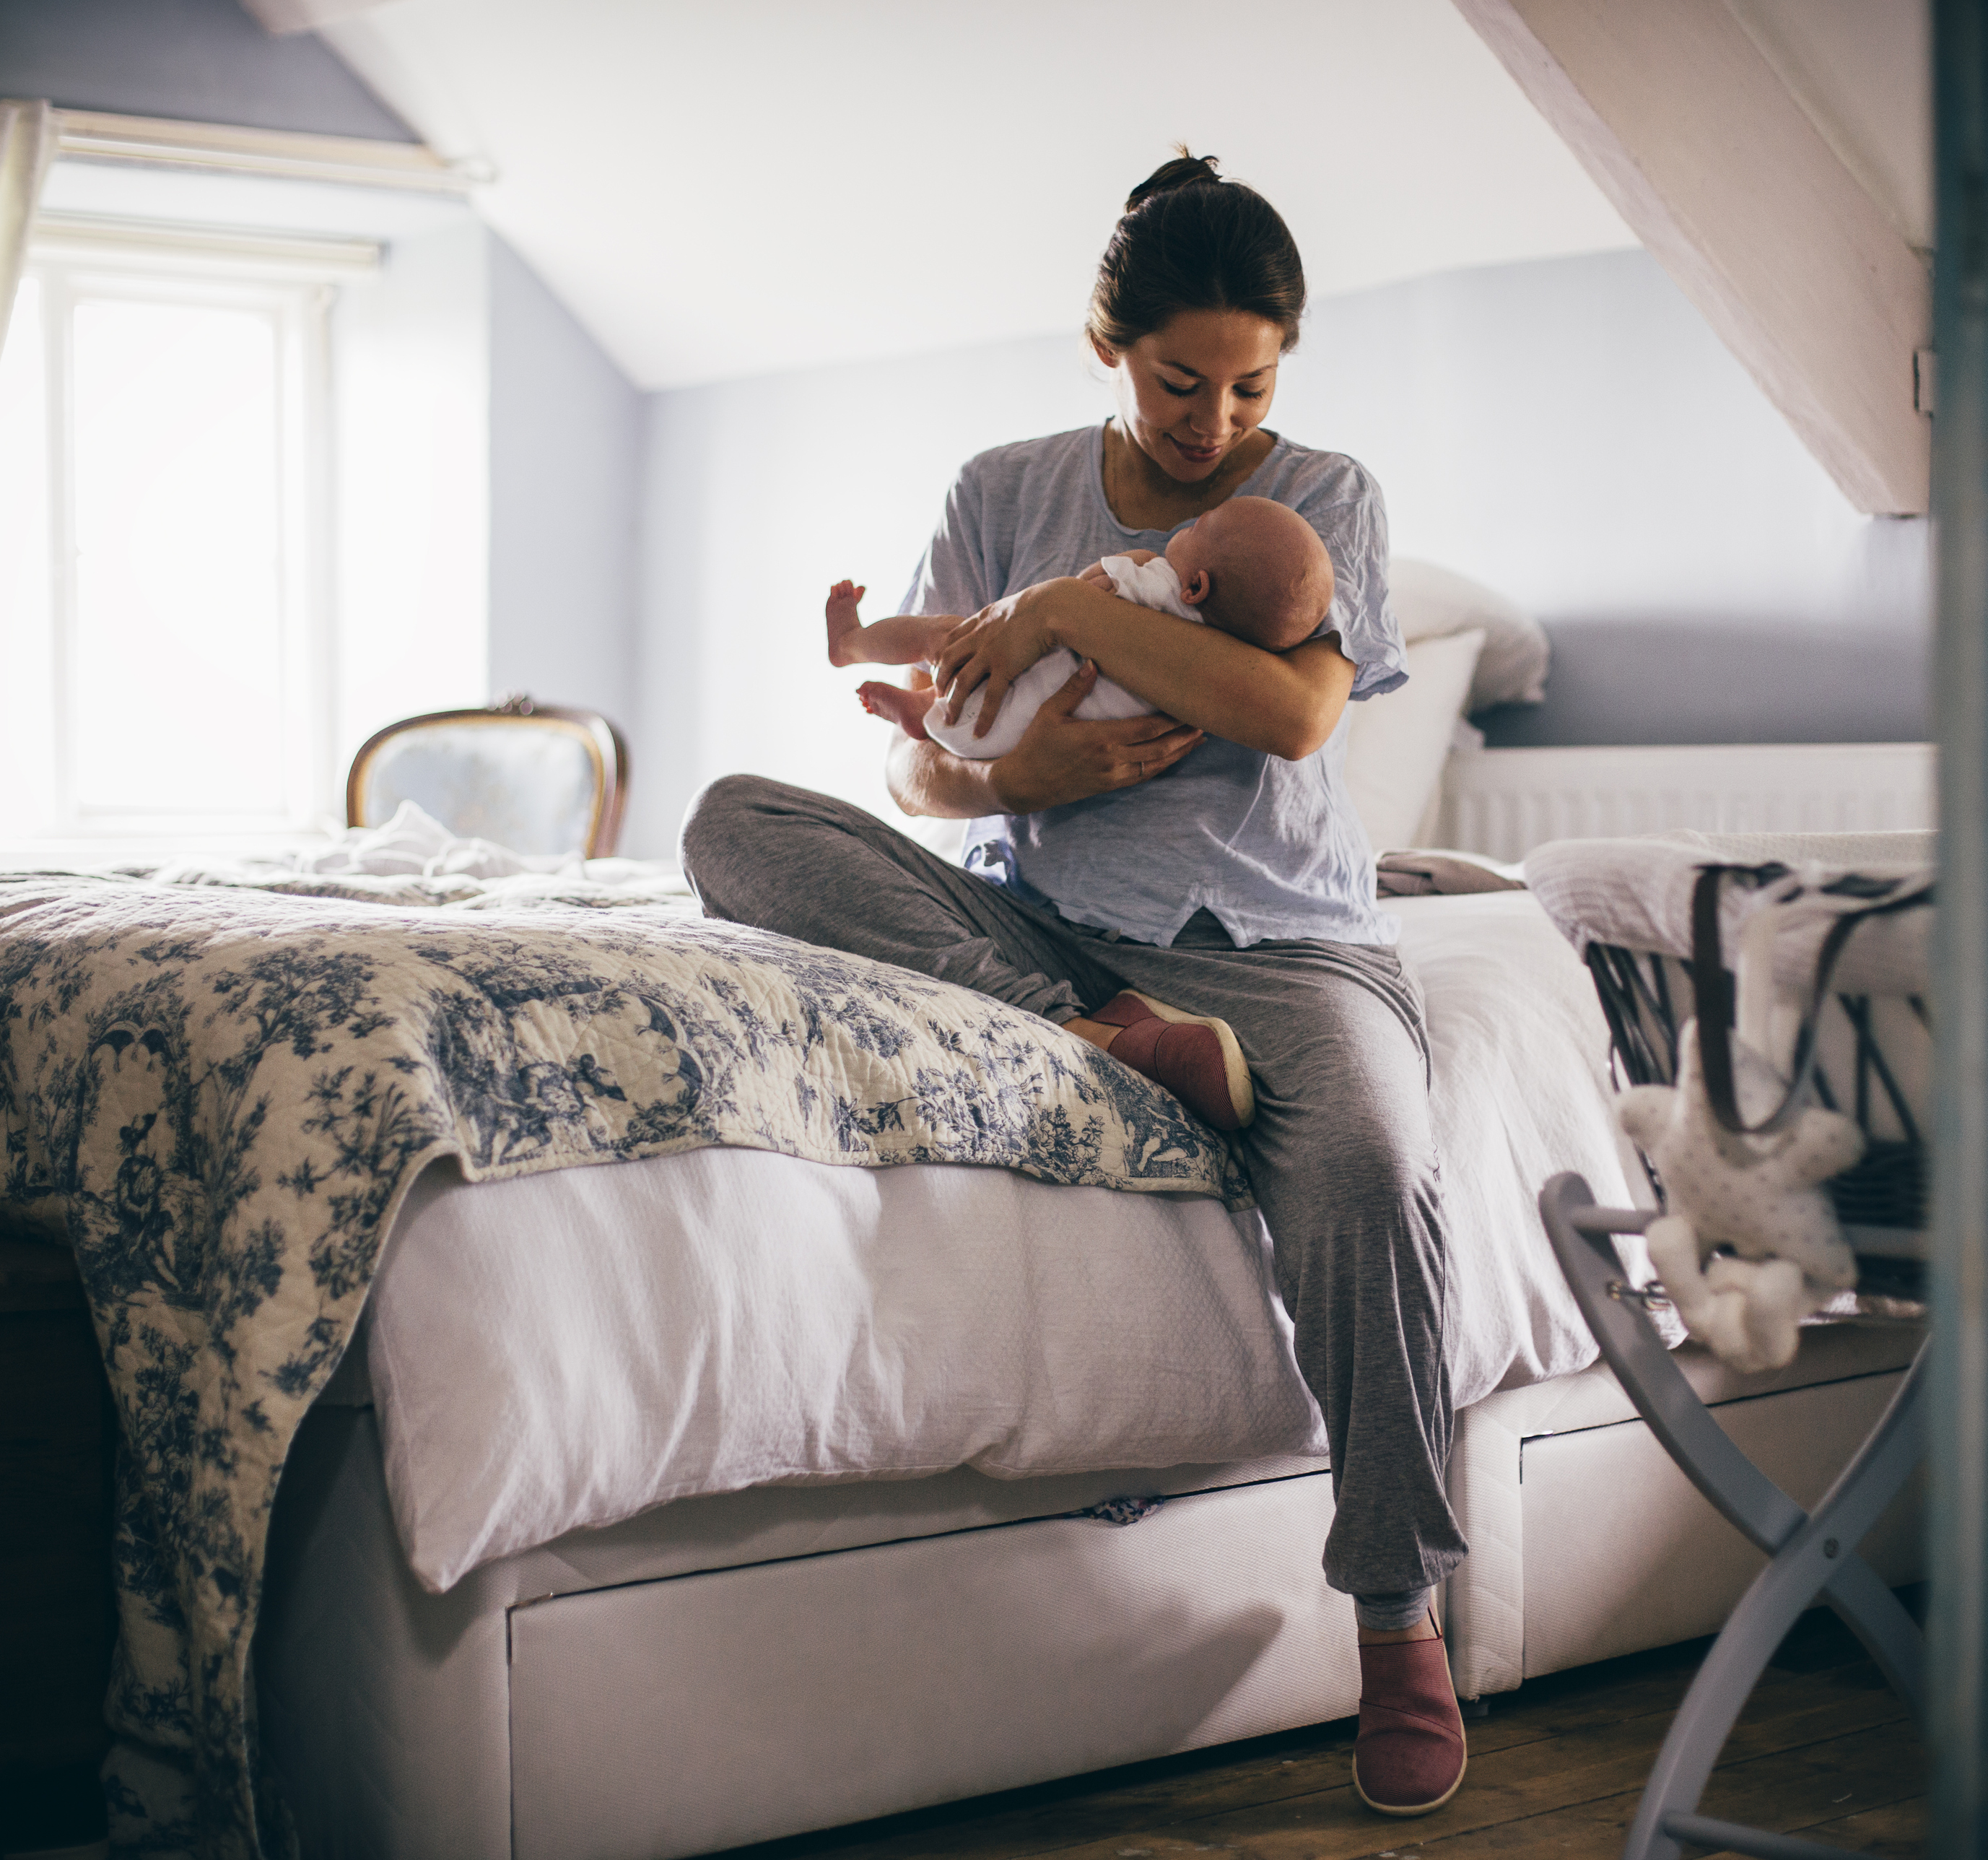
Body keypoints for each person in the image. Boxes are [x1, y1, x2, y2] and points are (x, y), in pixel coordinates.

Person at [681, 150, 1468, 1817]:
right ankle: (1096, 1038)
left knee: (1377, 1173)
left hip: (1278, 947)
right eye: (1183, 381)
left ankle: (1399, 1621)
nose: (1216, 417)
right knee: (735, 822)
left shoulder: (1321, 496)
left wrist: (1063, 612)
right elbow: (917, 773)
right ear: (1110, 346)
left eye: (1253, 380)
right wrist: (1023, 782)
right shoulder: (1007, 483)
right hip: (1045, 930)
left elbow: (1295, 718)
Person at [825, 492, 1334, 760]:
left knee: (942, 635)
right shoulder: (1214, 663)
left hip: (1001, 698)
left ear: (1196, 589)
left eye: (1199, 527)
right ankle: (922, 714)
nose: (1190, 523)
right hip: (1009, 734)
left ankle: (852, 644)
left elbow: (1088, 590)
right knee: (954, 691)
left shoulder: (1157, 587)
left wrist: (1119, 568)